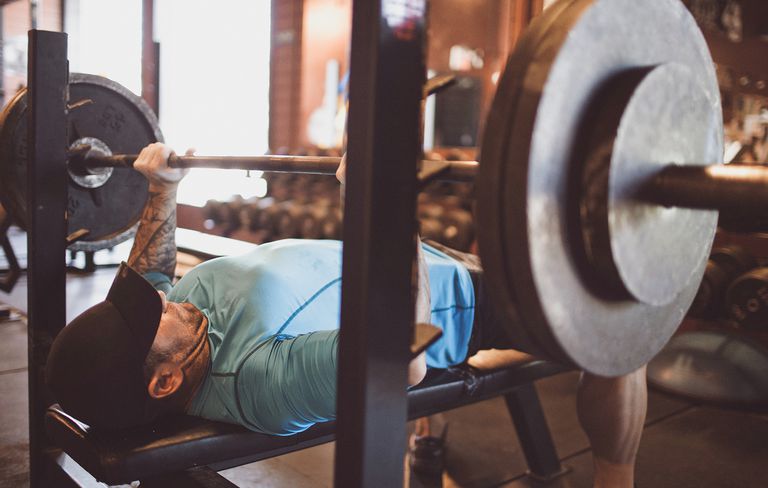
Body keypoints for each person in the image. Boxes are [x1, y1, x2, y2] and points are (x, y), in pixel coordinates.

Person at [47, 143, 646, 488]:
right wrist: (380, 205)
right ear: (166, 379)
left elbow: (149, 275)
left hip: (435, 259)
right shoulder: (261, 381)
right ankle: (616, 476)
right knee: (628, 329)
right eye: (155, 315)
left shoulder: (173, 335)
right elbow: (397, 360)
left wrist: (164, 188)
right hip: (466, 304)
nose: (163, 297)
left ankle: (428, 451)